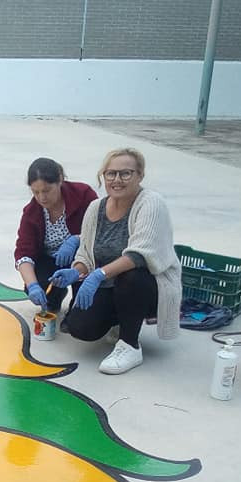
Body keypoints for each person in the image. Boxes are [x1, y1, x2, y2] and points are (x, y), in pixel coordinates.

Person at [51, 148, 181, 375]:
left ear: (140, 175)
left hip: (147, 286)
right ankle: (120, 320)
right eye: (110, 174)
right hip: (109, 284)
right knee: (81, 329)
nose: (117, 180)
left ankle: (130, 345)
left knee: (132, 275)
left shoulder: (151, 203)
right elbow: (86, 254)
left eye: (126, 173)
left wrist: (98, 275)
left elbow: (139, 254)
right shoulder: (96, 208)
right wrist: (76, 271)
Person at [13, 157, 98, 315]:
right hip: (52, 261)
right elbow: (23, 252)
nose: (41, 198)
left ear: (60, 180)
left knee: (81, 318)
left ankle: (77, 308)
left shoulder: (83, 195)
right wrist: (32, 285)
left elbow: (101, 228)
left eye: (46, 190)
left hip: (84, 258)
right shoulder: (32, 212)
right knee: (38, 281)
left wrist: (77, 239)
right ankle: (56, 295)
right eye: (35, 192)